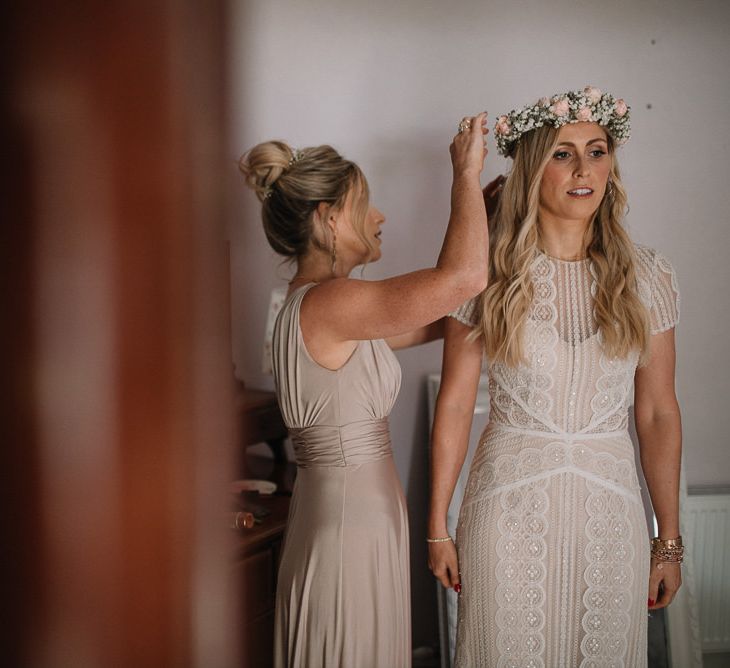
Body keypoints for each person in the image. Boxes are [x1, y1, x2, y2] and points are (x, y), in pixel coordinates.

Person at [427, 87, 682, 667]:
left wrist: (667, 539)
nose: (583, 168)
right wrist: (438, 525)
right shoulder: (485, 271)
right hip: (505, 511)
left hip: (611, 512)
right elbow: (456, 403)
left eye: (596, 151)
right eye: (562, 153)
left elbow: (659, 412)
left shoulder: (649, 276)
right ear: (533, 168)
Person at [239, 112, 489, 668]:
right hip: (350, 524)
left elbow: (453, 316)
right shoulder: (332, 304)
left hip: (350, 516)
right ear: (329, 219)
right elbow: (463, 282)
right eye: (366, 204)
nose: (380, 217)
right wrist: (465, 176)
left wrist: (492, 218)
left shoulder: (324, 306)